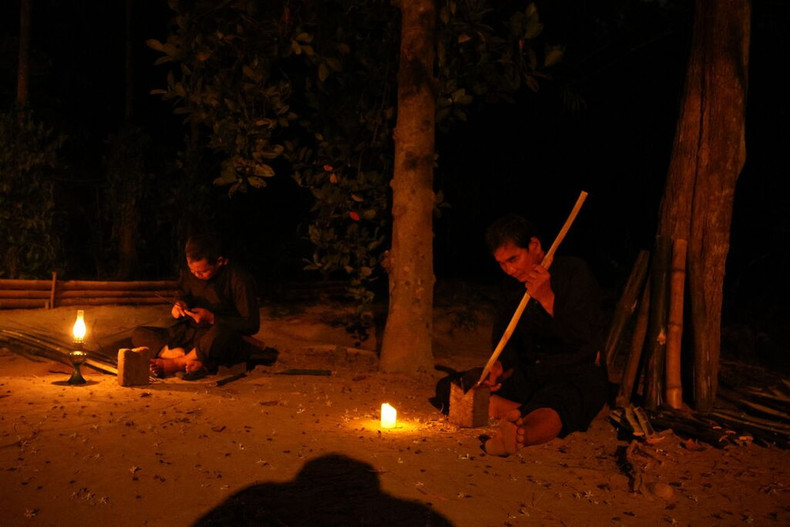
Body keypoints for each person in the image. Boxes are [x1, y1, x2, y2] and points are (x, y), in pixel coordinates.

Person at [481, 213, 608, 456]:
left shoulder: (573, 271)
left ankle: (521, 435)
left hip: (574, 373)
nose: (509, 269)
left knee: (558, 403)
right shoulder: (510, 285)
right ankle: (523, 409)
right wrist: (497, 367)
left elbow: (586, 337)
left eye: (513, 259)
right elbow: (507, 343)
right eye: (501, 264)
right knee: (456, 387)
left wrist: (548, 298)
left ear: (535, 246)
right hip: (532, 375)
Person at [132, 233, 262, 380]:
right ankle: (187, 357)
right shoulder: (191, 274)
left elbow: (251, 324)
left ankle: (178, 363)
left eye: (203, 271)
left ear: (220, 261)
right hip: (190, 333)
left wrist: (212, 318)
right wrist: (180, 304)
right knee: (139, 333)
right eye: (193, 270)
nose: (197, 275)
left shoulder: (239, 280)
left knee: (220, 334)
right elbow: (183, 293)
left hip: (219, 336)